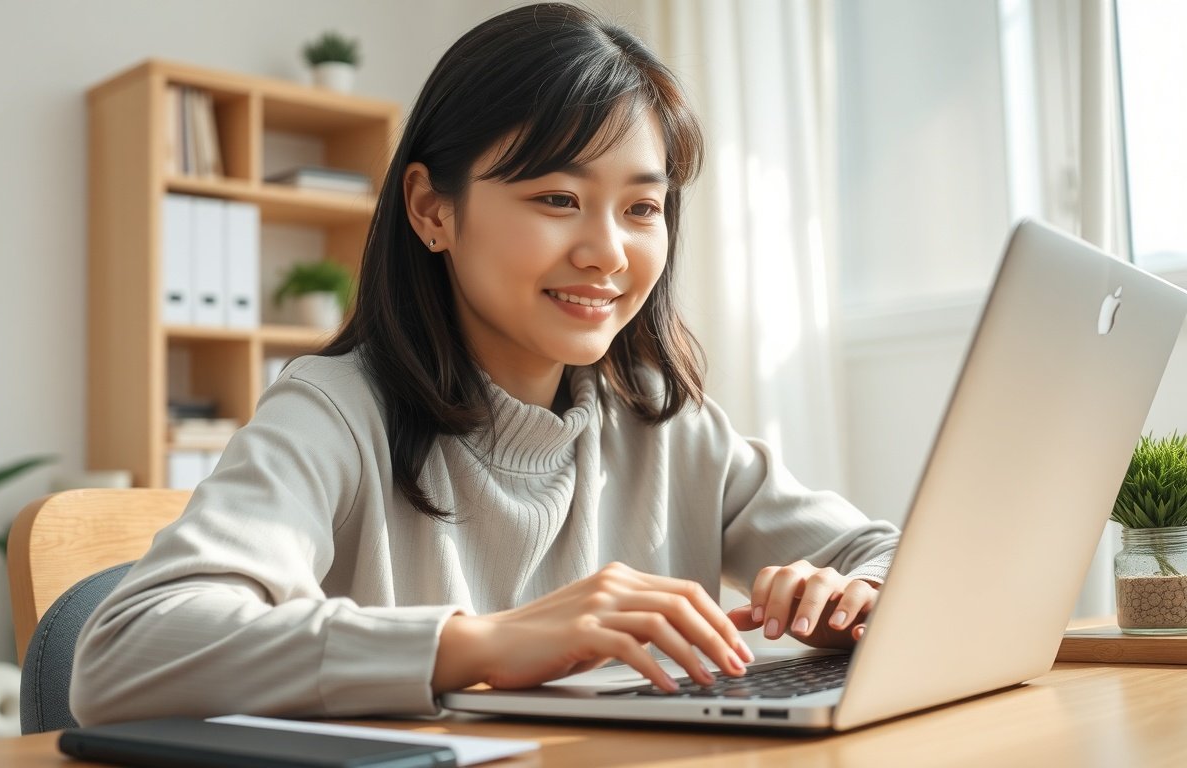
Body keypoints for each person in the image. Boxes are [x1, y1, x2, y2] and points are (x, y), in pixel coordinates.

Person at [71, 2, 898, 725]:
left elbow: (896, 557)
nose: (609, 252)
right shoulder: (333, 412)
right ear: (433, 209)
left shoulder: (666, 424)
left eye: (643, 208)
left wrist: (854, 601)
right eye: (558, 199)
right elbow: (123, 651)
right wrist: (480, 644)